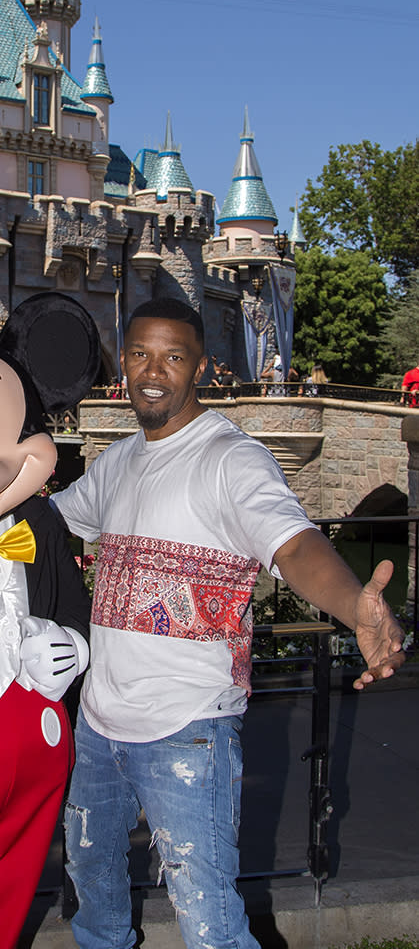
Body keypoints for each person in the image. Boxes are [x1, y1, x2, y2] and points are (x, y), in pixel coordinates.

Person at [51, 297, 405, 949]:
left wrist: (354, 604)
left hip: (188, 731)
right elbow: (45, 526)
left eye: (173, 356)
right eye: (139, 355)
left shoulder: (230, 460)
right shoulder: (118, 462)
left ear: (201, 368)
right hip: (99, 729)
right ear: (122, 362)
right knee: (93, 896)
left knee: (210, 923)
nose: (152, 372)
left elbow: (293, 545)